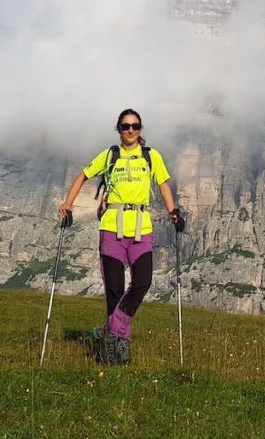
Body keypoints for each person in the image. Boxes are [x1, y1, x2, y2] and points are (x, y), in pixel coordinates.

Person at [58, 108, 185, 365]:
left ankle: (109, 331)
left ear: (140, 129)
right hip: (111, 228)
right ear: (119, 129)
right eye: (126, 126)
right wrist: (67, 204)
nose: (130, 131)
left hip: (141, 228)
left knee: (143, 281)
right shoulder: (109, 155)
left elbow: (162, 185)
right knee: (114, 290)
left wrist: (174, 212)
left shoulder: (151, 156)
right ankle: (116, 350)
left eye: (135, 126)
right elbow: (83, 175)